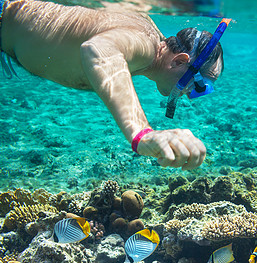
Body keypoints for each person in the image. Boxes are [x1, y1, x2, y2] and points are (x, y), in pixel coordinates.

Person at [0, 0, 227, 170]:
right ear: (179, 61)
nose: (191, 95)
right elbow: (98, 49)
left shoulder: (148, 41)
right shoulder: (146, 46)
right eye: (201, 85)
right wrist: (141, 133)